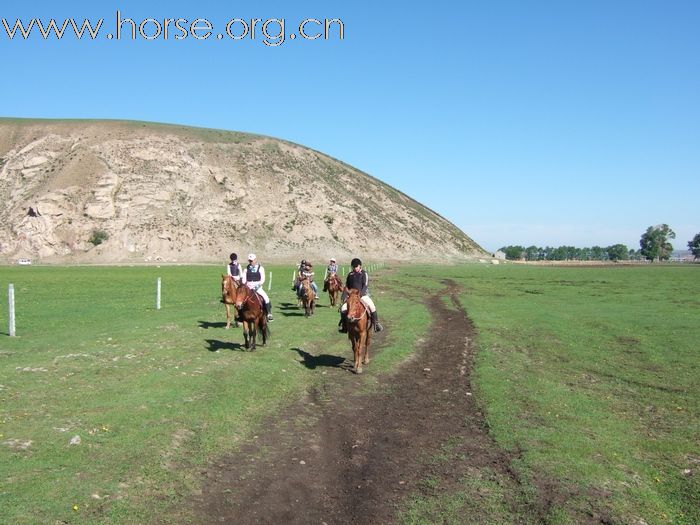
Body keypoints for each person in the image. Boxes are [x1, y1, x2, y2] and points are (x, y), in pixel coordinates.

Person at [338, 257, 383, 333]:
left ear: (360, 266)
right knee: (343, 308)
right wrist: (344, 295)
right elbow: (347, 286)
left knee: (372, 306)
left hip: (363, 295)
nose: (355, 268)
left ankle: (376, 323)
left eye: (356, 266)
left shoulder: (364, 273)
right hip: (352, 296)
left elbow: (365, 285)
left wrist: (360, 294)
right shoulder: (350, 274)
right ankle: (344, 326)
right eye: (353, 267)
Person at [241, 253, 273, 321]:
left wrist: (258, 286)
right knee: (240, 300)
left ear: (255, 260)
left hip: (258, 288)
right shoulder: (246, 269)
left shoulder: (261, 268)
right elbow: (244, 279)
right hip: (248, 288)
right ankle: (240, 315)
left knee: (266, 298)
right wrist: (245, 285)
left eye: (251, 261)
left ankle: (269, 314)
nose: (250, 262)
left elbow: (263, 279)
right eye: (249, 261)